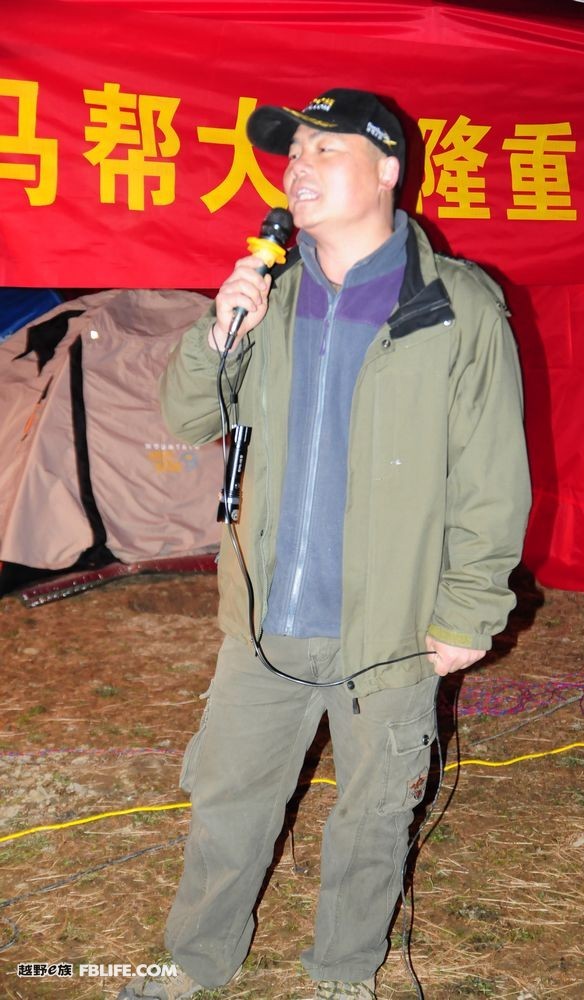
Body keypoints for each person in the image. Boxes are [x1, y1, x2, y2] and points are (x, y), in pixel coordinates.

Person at [119, 88, 531, 1000]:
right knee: (227, 802)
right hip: (267, 620)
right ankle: (195, 961)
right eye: (291, 153)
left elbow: (493, 476)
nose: (296, 167)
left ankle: (344, 974)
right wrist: (218, 331)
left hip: (390, 629)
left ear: (387, 170)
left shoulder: (454, 306)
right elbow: (187, 417)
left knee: (377, 813)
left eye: (323, 149)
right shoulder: (270, 296)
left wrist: (469, 610)